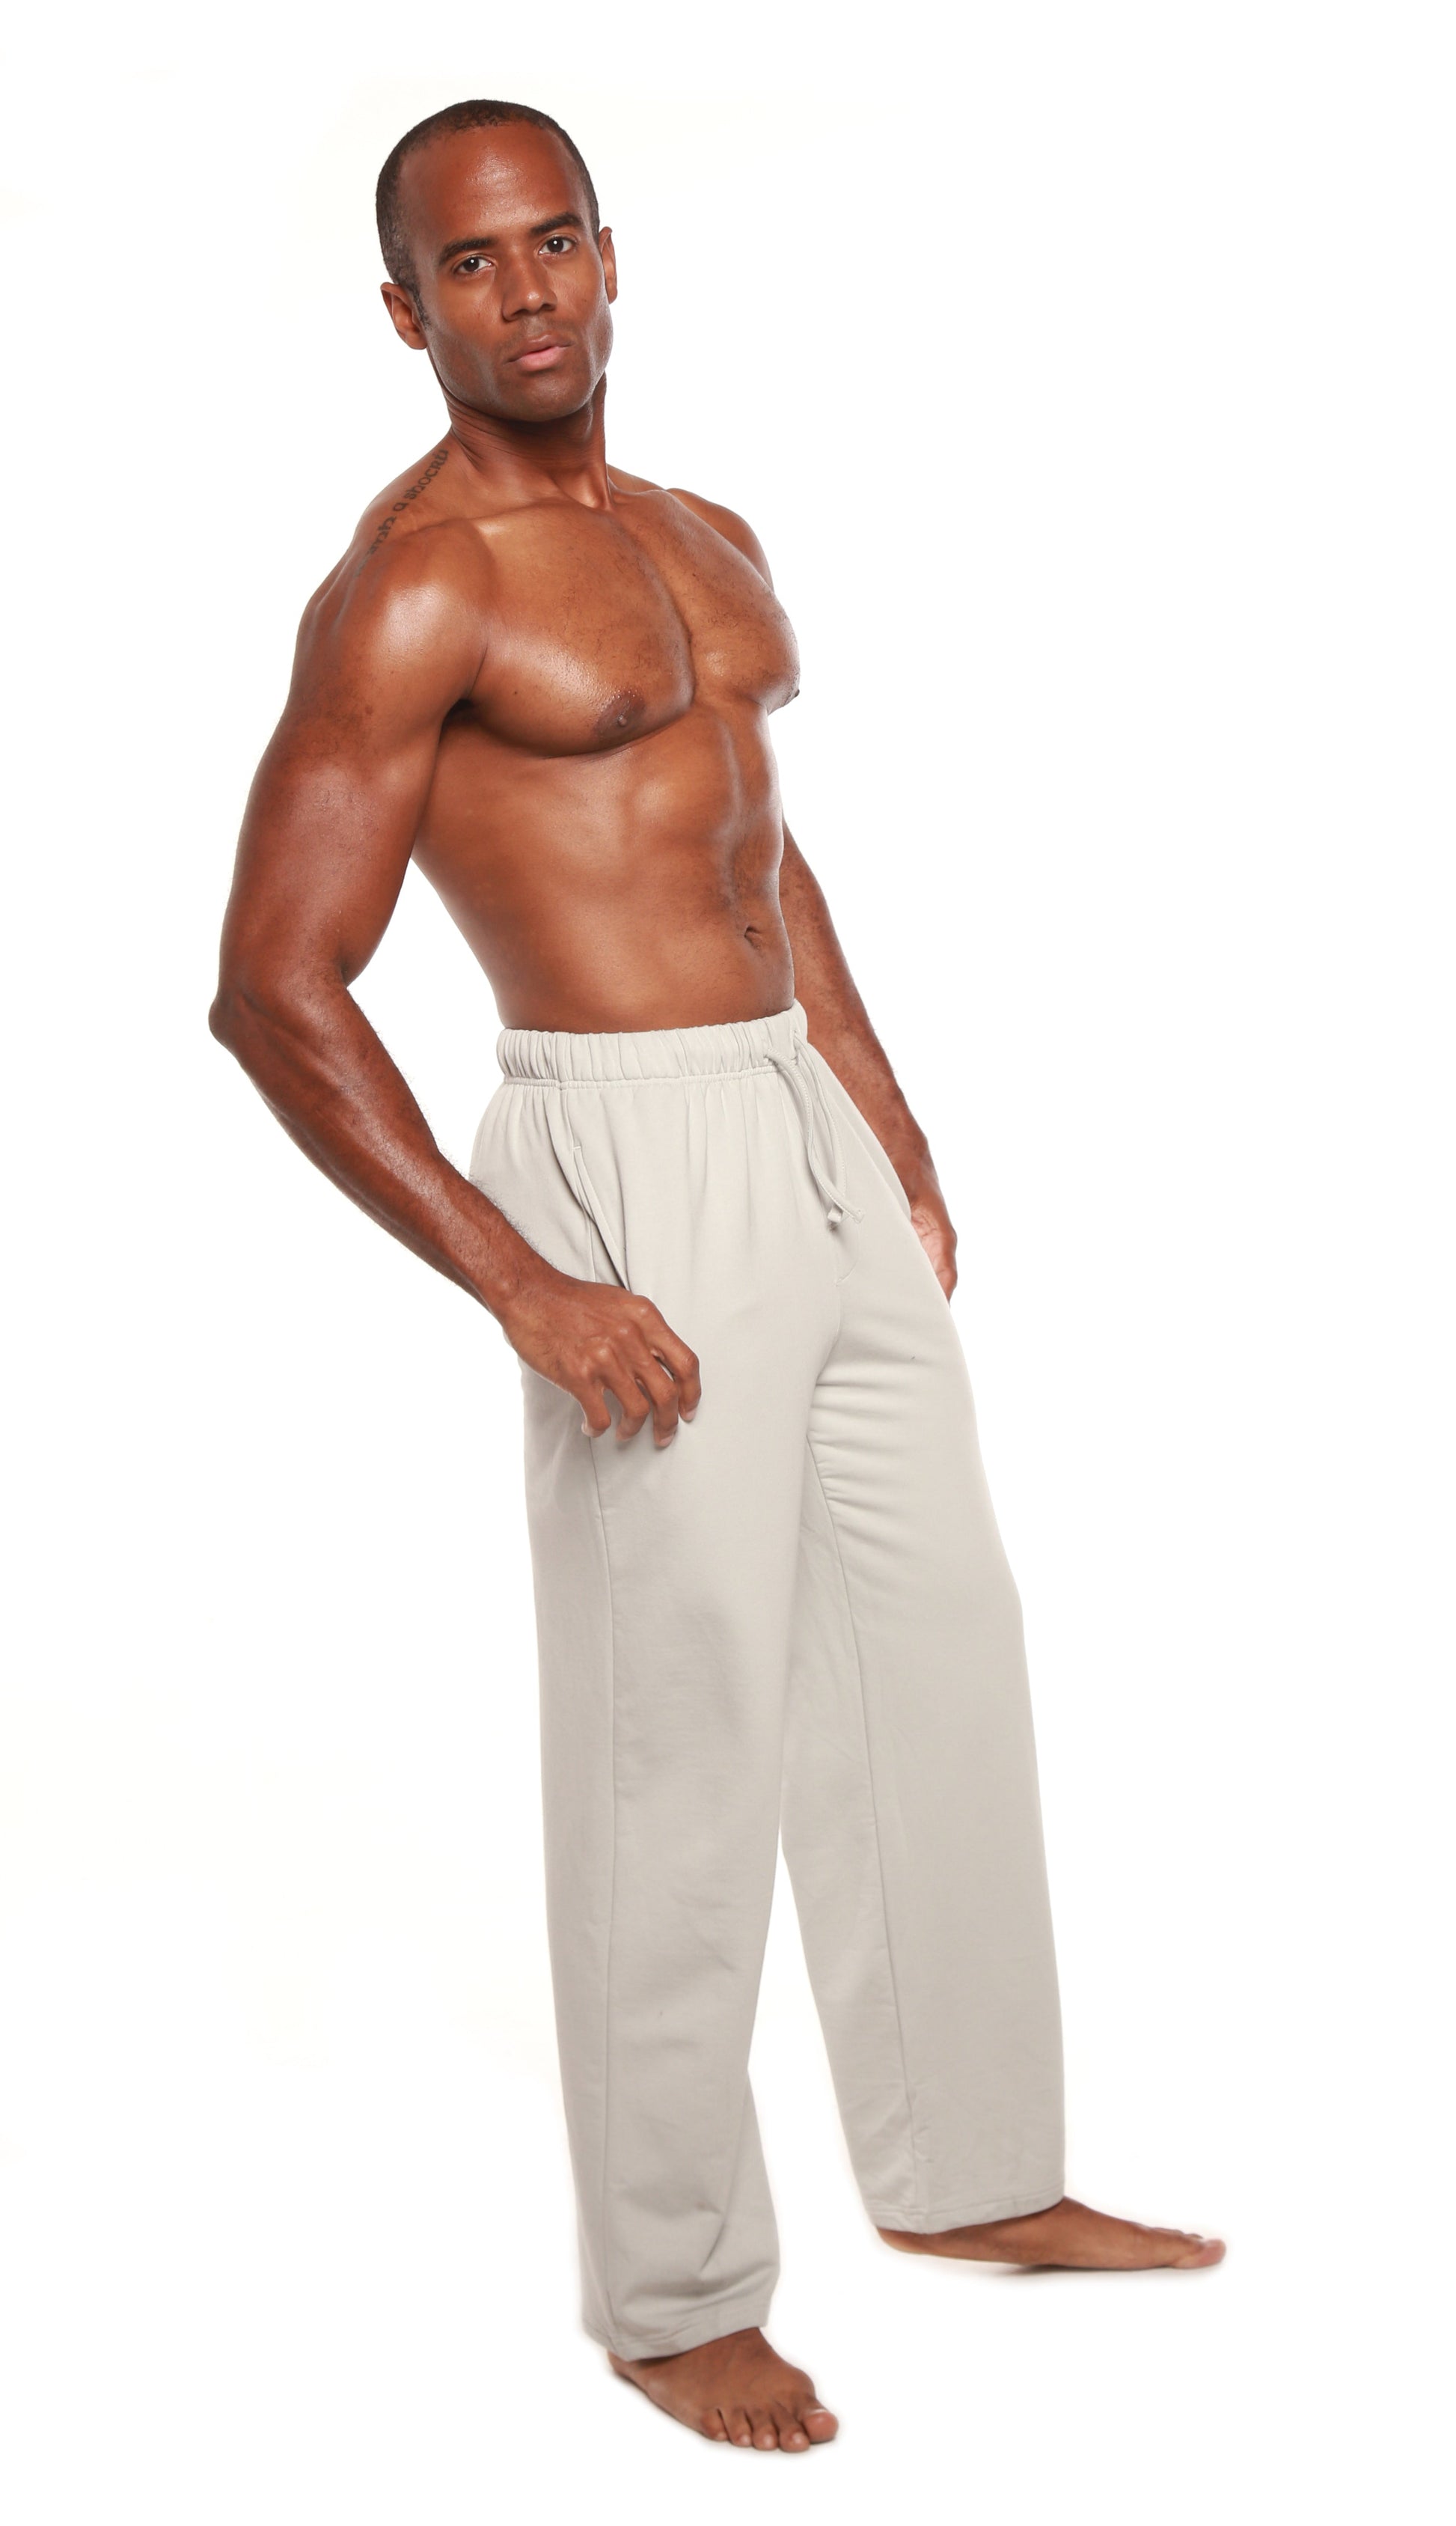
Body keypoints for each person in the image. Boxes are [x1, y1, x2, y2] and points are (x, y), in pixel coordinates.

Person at [210, 98, 1224, 2453]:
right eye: (474, 263)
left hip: (798, 1127)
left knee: (935, 1655)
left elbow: (760, 849)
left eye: (555, 240)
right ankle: (671, 2294)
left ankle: (972, 2172)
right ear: (405, 310)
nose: (529, 291)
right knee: (677, 1736)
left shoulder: (700, 535)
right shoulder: (411, 586)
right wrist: (529, 1287)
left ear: (608, 253)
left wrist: (881, 1119)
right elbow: (272, 984)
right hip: (619, 1148)